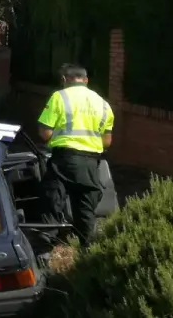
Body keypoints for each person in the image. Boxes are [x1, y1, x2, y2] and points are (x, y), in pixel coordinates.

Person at [37, 63, 114, 248]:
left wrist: (57, 140)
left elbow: (45, 132)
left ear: (64, 79)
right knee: (86, 210)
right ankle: (88, 251)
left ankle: (45, 246)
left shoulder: (59, 97)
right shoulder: (103, 104)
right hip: (91, 162)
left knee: (52, 198)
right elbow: (107, 141)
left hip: (64, 159)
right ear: (86, 80)